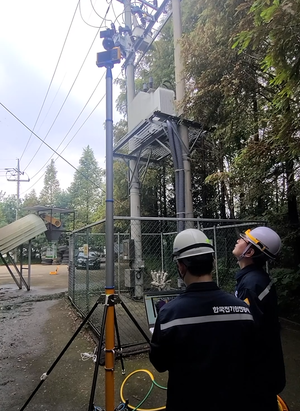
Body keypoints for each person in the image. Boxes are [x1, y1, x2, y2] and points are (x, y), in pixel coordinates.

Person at [149, 228, 256, 411]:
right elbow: (252, 358)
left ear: (181, 266)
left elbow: (159, 363)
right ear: (212, 262)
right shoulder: (243, 310)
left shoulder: (169, 315)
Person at [232, 226, 286, 411]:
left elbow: (247, 332)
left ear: (250, 251)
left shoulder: (251, 285)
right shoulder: (257, 278)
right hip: (267, 370)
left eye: (243, 239)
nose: (238, 240)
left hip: (256, 377)